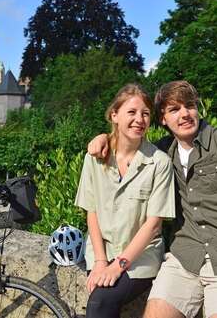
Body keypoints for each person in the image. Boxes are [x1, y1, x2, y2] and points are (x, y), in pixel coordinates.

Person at [87, 56, 217, 318]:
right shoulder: (161, 153)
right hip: (185, 259)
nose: (184, 114)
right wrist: (103, 137)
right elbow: (127, 142)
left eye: (190, 106)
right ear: (163, 119)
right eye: (174, 109)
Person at [75, 83, 176, 318]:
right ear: (114, 115)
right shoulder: (95, 158)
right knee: (101, 298)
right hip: (102, 250)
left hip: (140, 257)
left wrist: (118, 265)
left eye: (145, 113)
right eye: (131, 112)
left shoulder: (158, 163)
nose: (139, 119)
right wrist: (100, 261)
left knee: (100, 301)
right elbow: (92, 211)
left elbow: (153, 225)